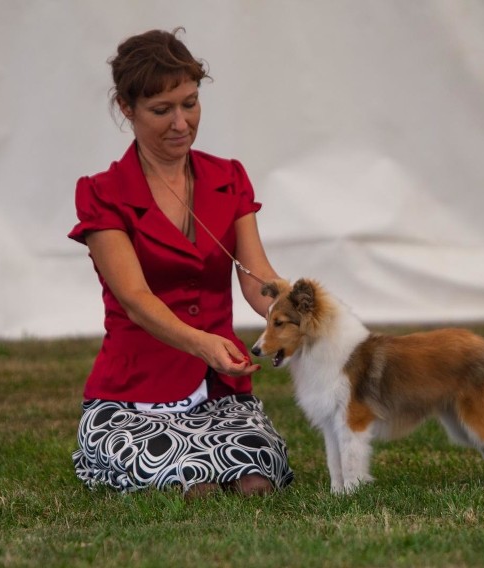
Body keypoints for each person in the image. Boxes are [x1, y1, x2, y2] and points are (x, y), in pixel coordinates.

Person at [68, 28, 293, 497]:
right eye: (161, 110)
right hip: (130, 398)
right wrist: (202, 343)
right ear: (127, 109)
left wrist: (294, 308)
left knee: (256, 481)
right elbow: (134, 299)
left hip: (219, 393)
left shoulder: (228, 178)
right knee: (197, 489)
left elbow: (257, 280)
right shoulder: (102, 193)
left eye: (190, 103)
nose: (181, 123)